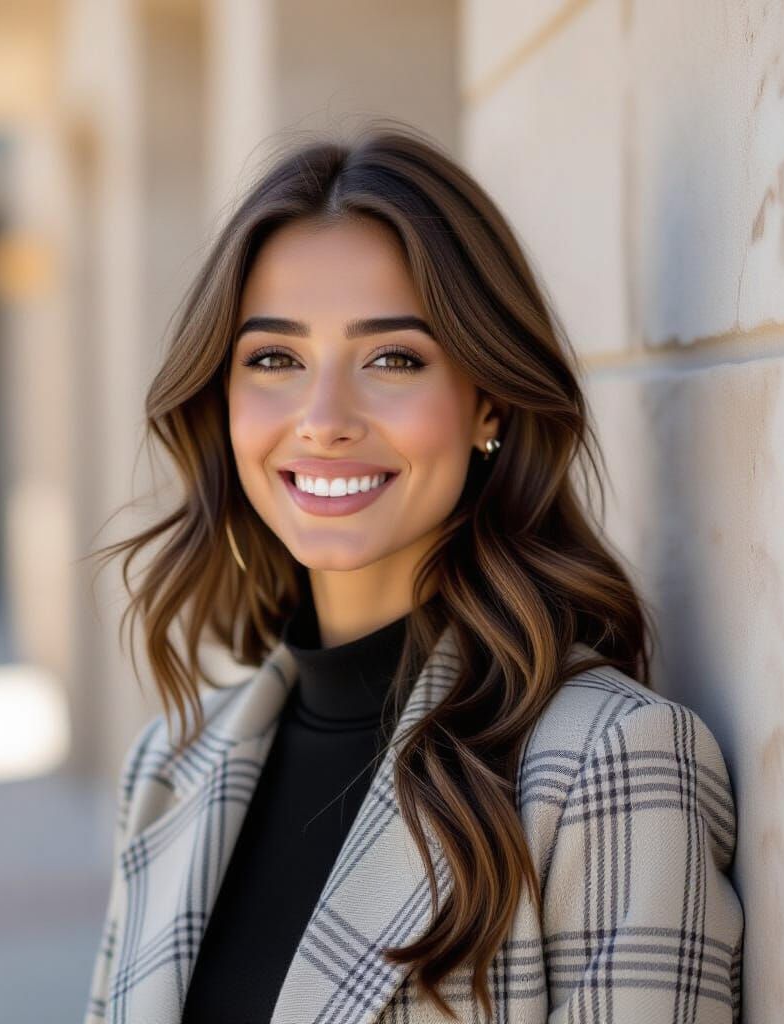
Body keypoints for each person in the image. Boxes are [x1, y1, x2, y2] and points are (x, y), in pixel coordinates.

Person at [83, 120, 744, 1024]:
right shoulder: (168, 769)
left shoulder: (606, 764)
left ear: (490, 404)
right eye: (275, 358)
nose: (323, 419)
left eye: (393, 358)